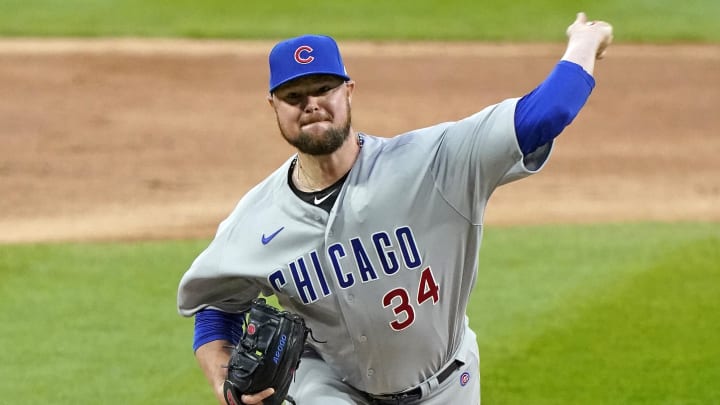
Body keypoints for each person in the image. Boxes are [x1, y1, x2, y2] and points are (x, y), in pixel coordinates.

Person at [177, 12, 613, 405]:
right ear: (274, 106)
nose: (311, 103)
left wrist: (584, 42)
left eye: (323, 88)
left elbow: (550, 110)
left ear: (348, 91)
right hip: (329, 387)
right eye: (294, 95)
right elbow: (217, 306)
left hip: (447, 386)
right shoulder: (254, 220)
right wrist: (223, 384)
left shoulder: (434, 163)